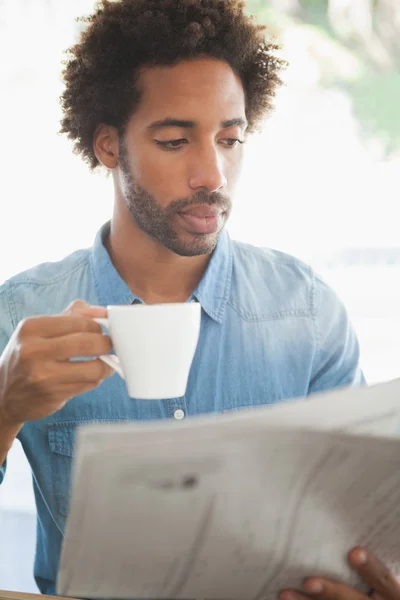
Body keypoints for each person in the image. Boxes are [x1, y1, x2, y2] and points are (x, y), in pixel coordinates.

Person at [1, 0, 395, 598]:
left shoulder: (309, 315)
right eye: (173, 140)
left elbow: (360, 525)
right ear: (109, 146)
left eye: (230, 139)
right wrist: (2, 410)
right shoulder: (21, 317)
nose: (211, 172)